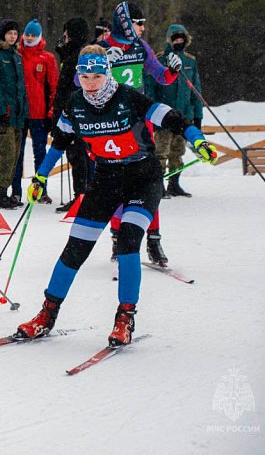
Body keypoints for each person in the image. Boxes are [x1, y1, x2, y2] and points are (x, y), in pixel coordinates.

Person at [15, 45, 218, 346]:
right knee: (75, 248)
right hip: (107, 180)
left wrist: (198, 141)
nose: (92, 83)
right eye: (85, 77)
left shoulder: (127, 96)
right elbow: (58, 143)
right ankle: (47, 314)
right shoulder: (75, 105)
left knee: (127, 242)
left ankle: (125, 316)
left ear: (107, 73)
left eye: (97, 76)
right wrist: (41, 176)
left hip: (142, 178)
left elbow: (173, 118)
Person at [99, 1, 182, 265]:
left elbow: (161, 77)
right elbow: (79, 81)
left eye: (144, 24)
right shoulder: (101, 47)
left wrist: (173, 68)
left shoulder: (140, 47)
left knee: (150, 181)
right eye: (139, 23)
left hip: (140, 123)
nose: (143, 29)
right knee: (115, 184)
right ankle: (117, 238)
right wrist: (102, 64)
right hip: (111, 125)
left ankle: (154, 241)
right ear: (125, 22)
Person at [148, 24, 203, 197]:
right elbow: (150, 88)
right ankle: (158, 187)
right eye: (175, 38)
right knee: (160, 153)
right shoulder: (159, 60)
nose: (178, 41)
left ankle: (174, 184)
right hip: (163, 115)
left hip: (183, 115)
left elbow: (196, 91)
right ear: (169, 40)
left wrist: (197, 118)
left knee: (177, 152)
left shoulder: (190, 61)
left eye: (182, 38)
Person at [0, 19, 29, 209]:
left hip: (18, 115)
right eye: (9, 33)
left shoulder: (16, 56)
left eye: (15, 33)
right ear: (3, 35)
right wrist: (1, 110)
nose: (13, 36)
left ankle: (7, 189)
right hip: (4, 115)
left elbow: (20, 87)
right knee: (7, 153)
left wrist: (24, 111)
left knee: (16, 154)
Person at [14, 18, 59, 204]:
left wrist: (51, 112)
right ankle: (15, 190)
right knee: (17, 154)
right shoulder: (16, 55)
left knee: (40, 153)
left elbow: (53, 87)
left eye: (34, 35)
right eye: (28, 34)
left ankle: (41, 190)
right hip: (19, 113)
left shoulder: (47, 58)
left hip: (39, 114)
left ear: (39, 37)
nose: (30, 38)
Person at [52, 17, 92, 212]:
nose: (64, 36)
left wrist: (61, 111)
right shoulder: (73, 54)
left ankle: (81, 195)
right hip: (72, 110)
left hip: (75, 112)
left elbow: (70, 86)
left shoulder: (78, 56)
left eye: (66, 32)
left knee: (78, 156)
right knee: (76, 155)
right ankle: (81, 194)